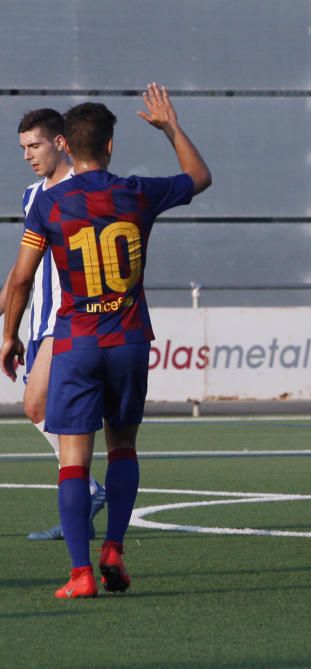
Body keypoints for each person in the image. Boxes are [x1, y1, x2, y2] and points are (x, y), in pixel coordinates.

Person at [1, 84, 212, 598]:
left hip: (77, 342)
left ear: (66, 147)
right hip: (129, 341)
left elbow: (21, 280)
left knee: (74, 459)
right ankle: (114, 546)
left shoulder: (49, 205)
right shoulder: (138, 192)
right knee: (124, 448)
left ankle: (80, 575)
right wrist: (169, 127)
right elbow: (200, 178)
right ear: (111, 145)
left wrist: (9, 334)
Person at [0, 109, 106, 541]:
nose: (27, 155)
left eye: (35, 145)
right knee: (41, 409)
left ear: (61, 143)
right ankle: (87, 493)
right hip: (43, 321)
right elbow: (22, 270)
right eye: (23, 147)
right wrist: (8, 319)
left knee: (38, 406)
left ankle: (89, 493)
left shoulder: (85, 191)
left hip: (75, 318)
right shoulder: (32, 196)